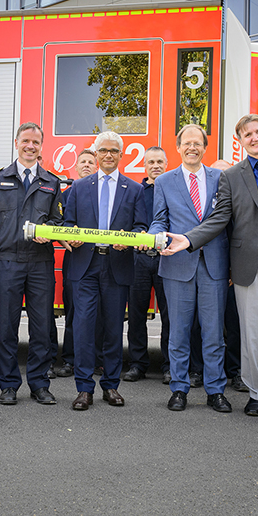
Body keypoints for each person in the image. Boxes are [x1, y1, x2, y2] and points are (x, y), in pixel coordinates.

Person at [165, 115, 258, 420]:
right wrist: (189, 241)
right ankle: (256, 394)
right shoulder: (230, 176)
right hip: (249, 262)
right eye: (247, 135)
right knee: (251, 332)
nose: (254, 138)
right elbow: (220, 219)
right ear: (240, 141)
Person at [147, 125, 232, 412]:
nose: (192, 147)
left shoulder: (221, 178)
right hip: (177, 265)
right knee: (179, 333)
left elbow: (226, 221)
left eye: (198, 143)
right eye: (187, 143)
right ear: (178, 147)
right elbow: (160, 219)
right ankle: (179, 389)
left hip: (214, 266)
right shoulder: (164, 182)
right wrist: (155, 237)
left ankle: (216, 390)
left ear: (205, 148)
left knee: (213, 335)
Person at [0, 122, 64, 405]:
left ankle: (40, 384)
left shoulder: (52, 182)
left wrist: (48, 232)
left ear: (41, 147)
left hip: (40, 263)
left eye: (36, 142)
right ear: (16, 142)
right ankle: (8, 384)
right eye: (26, 141)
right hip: (6, 262)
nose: (30, 146)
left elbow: (58, 221)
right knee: (6, 327)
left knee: (42, 328)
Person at [64, 131, 145, 411]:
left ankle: (110, 386)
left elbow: (141, 227)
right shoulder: (78, 187)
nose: (108, 155)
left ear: (121, 156)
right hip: (85, 265)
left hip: (117, 265)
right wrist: (70, 234)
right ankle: (84, 388)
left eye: (114, 151)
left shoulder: (134, 190)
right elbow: (68, 222)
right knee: (84, 328)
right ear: (95, 154)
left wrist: (130, 240)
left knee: (113, 328)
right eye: (103, 150)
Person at [52, 148, 98, 377]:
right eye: (83, 162)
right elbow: (59, 224)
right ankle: (69, 360)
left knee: (97, 314)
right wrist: (68, 236)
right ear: (77, 167)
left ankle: (96, 360)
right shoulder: (67, 194)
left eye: (91, 162)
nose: (87, 165)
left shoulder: (104, 192)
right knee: (73, 312)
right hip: (76, 261)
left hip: (99, 262)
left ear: (97, 167)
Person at [125, 146, 169, 382]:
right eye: (151, 162)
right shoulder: (135, 192)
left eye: (160, 161)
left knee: (170, 316)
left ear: (166, 164)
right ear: (144, 165)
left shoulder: (173, 189)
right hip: (139, 260)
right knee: (137, 315)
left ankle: (169, 365)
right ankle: (137, 365)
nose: (155, 166)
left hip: (168, 260)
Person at [210, 159, 246, 393]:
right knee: (202, 324)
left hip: (233, 272)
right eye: (218, 175)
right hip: (208, 271)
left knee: (235, 325)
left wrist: (234, 268)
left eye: (226, 175)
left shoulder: (240, 202)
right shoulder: (204, 201)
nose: (222, 179)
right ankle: (199, 370)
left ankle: (236, 372)